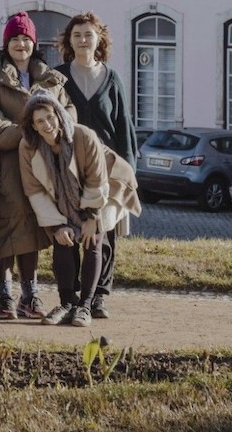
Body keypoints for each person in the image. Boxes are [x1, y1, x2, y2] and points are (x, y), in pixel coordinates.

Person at [0, 11, 74, 320]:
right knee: (5, 228)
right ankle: (5, 295)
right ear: (6, 44)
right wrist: (33, 130)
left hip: (40, 167)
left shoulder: (50, 80)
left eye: (26, 39)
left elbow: (67, 114)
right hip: (3, 167)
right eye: (15, 38)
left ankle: (29, 295)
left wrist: (49, 130)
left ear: (34, 44)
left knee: (31, 227)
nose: (21, 44)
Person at [18, 89, 140, 328]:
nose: (47, 125)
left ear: (59, 116)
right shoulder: (28, 147)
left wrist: (92, 217)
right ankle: (66, 303)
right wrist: (57, 225)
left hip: (107, 185)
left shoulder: (84, 136)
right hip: (63, 195)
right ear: (32, 126)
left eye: (50, 117)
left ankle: (85, 304)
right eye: (39, 121)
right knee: (63, 239)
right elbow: (35, 190)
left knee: (91, 239)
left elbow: (97, 180)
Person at [54, 12, 137, 320]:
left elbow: (123, 127)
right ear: (69, 40)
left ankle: (100, 295)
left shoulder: (112, 78)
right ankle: (74, 295)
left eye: (89, 34)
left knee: (105, 231)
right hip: (70, 166)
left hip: (108, 166)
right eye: (77, 35)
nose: (83, 40)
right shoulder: (59, 75)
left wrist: (129, 175)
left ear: (99, 38)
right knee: (74, 230)